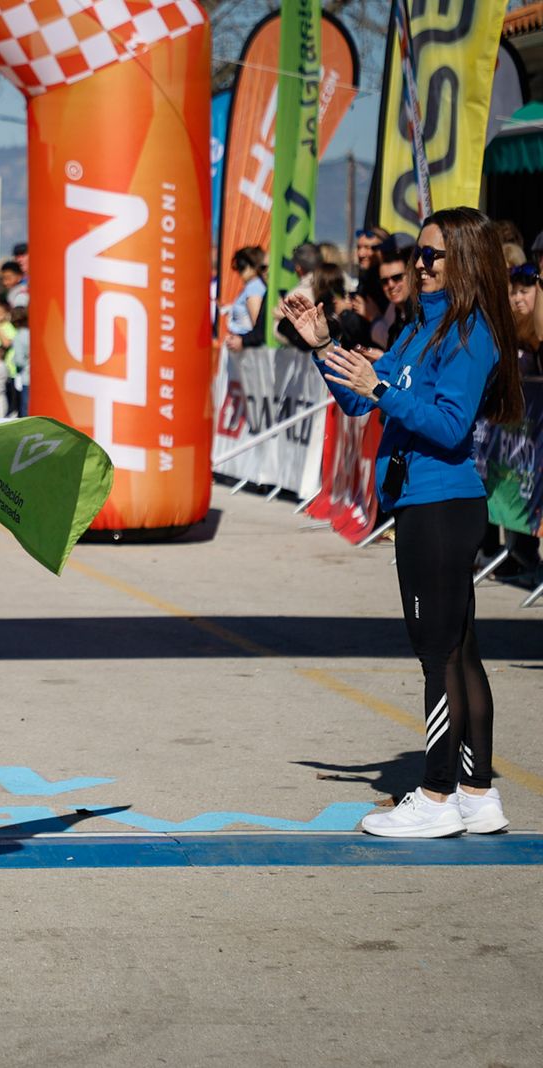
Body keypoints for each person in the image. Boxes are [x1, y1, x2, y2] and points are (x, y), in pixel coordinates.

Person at [279, 206, 523, 839]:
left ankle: (437, 795)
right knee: (458, 651)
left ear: (463, 260)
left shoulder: (471, 334)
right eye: (419, 252)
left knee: (437, 655)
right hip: (423, 502)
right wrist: (324, 346)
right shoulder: (421, 329)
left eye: (432, 254)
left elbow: (448, 424)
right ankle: (477, 793)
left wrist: (383, 389)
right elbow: (358, 398)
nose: (421, 263)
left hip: (440, 503)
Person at [221, 246, 266, 348]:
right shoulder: (252, 286)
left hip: (247, 348)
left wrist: (244, 341)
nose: (239, 271)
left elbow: (257, 324)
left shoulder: (254, 287)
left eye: (242, 266)